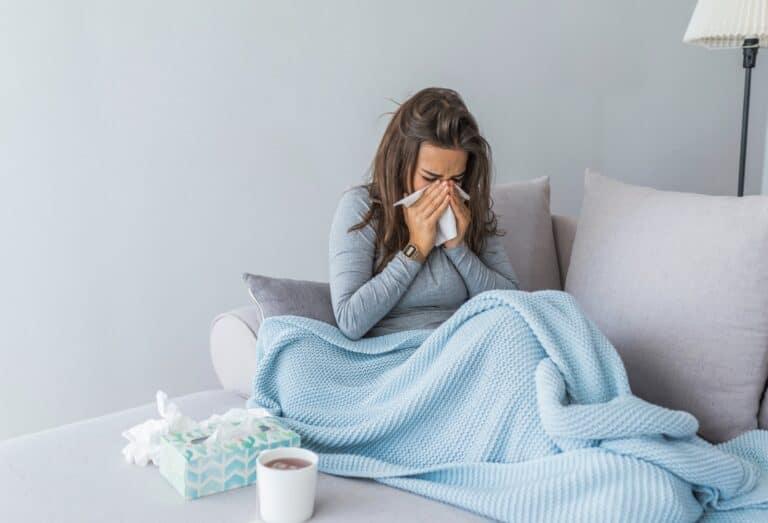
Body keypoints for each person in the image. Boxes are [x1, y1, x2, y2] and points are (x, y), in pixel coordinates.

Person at [328, 86, 520, 340]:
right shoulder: (362, 207)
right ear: (400, 163)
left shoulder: (468, 209)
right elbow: (350, 320)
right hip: (398, 349)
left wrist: (458, 248)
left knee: (555, 307)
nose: (444, 191)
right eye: (430, 178)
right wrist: (416, 248)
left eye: (456, 179)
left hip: (465, 342)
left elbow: (513, 302)